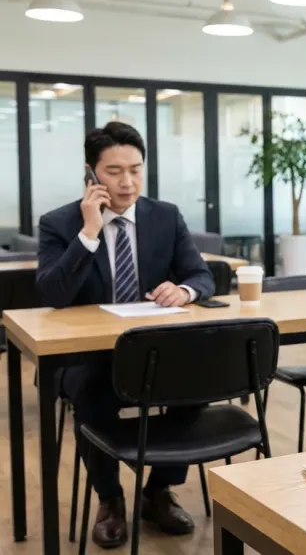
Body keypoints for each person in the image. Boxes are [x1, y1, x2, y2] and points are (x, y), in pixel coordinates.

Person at [36, 121, 214, 548]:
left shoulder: (165, 216)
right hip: (89, 357)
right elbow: (52, 294)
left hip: (153, 351)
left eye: (135, 169)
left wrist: (184, 290)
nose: (127, 181)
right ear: (91, 173)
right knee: (91, 391)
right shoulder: (59, 223)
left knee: (198, 385)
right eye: (114, 171)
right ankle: (110, 499)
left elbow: (201, 275)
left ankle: (157, 491)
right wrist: (89, 232)